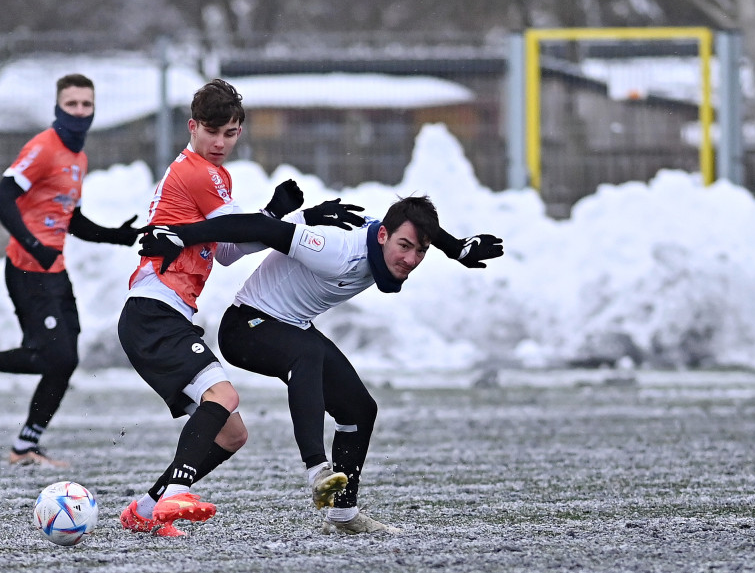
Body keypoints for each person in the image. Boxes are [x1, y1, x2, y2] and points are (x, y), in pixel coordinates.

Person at [139, 194, 503, 534]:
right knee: (307, 354)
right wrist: (181, 236)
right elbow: (259, 227)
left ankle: (343, 513)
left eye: (420, 251)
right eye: (404, 247)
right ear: (382, 236)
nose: (410, 259)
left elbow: (418, 229)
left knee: (359, 409)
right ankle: (317, 471)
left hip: (292, 326)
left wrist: (456, 248)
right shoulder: (336, 250)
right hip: (245, 326)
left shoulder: (389, 237)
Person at [116, 79, 306, 538]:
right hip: (154, 310)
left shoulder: (212, 175)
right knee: (223, 397)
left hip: (161, 316)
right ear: (192, 127)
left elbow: (227, 251)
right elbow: (239, 231)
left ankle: (145, 510)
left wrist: (270, 217)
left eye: (230, 133)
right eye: (212, 131)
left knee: (231, 433)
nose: (220, 142)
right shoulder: (198, 173)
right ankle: (175, 494)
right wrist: (285, 219)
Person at [0, 73, 142, 467]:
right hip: (27, 270)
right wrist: (32, 245)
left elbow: (71, 219)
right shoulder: (43, 147)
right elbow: (3, 194)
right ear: (58, 107)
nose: (79, 111)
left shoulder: (78, 157)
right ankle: (25, 445)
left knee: (65, 360)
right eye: (71, 104)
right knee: (53, 357)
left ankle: (26, 445)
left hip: (55, 273)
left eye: (86, 105)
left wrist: (116, 235)